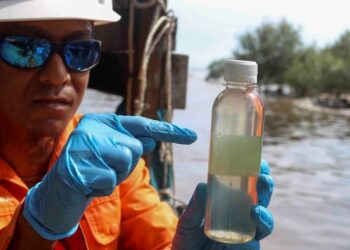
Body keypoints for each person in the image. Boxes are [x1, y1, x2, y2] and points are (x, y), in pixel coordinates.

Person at [0, 0, 274, 249]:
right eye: (27, 49)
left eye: (79, 51)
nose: (58, 76)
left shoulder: (110, 160)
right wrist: (36, 232)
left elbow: (158, 239)